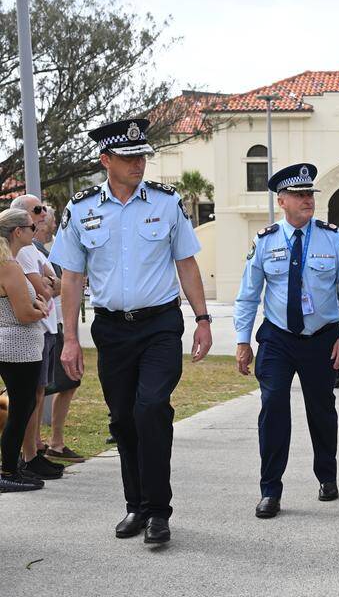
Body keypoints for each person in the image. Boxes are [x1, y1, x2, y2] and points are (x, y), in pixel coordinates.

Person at [49, 118, 212, 544]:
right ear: (106, 161)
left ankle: (159, 512)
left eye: (142, 156)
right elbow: (70, 277)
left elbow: (186, 263)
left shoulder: (165, 202)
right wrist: (70, 338)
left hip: (160, 324)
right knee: (123, 418)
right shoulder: (81, 209)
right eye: (129, 157)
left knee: (151, 408)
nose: (139, 163)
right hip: (111, 330)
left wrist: (203, 319)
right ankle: (135, 506)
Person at [234, 163, 339, 520]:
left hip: (322, 339)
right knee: (273, 406)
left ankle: (326, 476)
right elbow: (248, 294)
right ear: (281, 201)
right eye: (299, 195)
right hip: (278, 338)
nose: (307, 200)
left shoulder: (332, 238)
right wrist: (242, 340)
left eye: (309, 195)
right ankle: (270, 490)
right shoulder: (265, 241)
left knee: (321, 409)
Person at [10, 195, 64, 481]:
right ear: (20, 223)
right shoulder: (23, 252)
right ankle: (27, 456)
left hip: (46, 330)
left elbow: (56, 284)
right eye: (37, 210)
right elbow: (45, 290)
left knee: (37, 394)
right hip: (33, 333)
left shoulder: (35, 249)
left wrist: (51, 284)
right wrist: (50, 284)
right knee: (30, 397)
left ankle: (33, 452)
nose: (43, 214)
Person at [0, 209, 49, 492]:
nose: (36, 229)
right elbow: (23, 313)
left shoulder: (9, 264)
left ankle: (11, 466)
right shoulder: (10, 266)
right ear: (18, 232)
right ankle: (8, 470)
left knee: (22, 405)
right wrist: (40, 308)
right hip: (18, 348)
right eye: (32, 226)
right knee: (21, 407)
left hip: (14, 346)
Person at [33, 210, 84, 462]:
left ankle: (51, 442)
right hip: (45, 328)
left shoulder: (46, 251)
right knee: (42, 388)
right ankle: (41, 444)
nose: (52, 222)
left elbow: (58, 283)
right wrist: (60, 283)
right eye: (46, 217)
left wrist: (59, 283)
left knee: (67, 383)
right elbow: (47, 287)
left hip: (58, 325)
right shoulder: (30, 251)